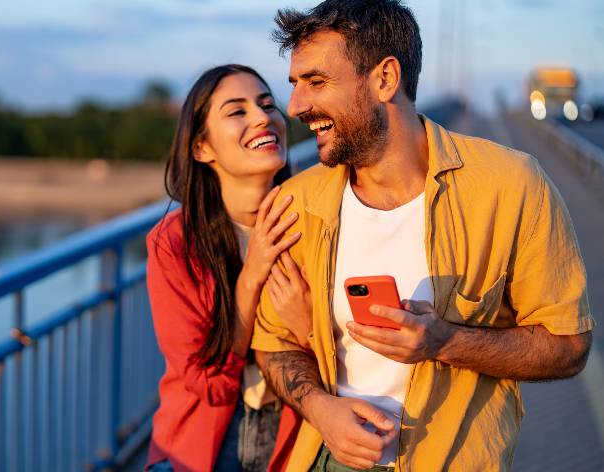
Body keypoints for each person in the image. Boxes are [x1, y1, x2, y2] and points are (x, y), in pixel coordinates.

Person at [251, 1, 595, 471]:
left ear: (386, 79)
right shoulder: (297, 204)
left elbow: (569, 347)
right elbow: (272, 344)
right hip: (328, 459)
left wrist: (445, 342)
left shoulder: (511, 185)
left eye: (316, 82)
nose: (295, 107)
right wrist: (319, 409)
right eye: (294, 85)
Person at [145, 64, 310, 472]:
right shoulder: (174, 244)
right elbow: (212, 383)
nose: (262, 117)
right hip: (203, 439)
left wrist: (305, 324)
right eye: (237, 111)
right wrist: (252, 274)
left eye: (267, 104)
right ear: (202, 148)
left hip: (296, 432)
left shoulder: (315, 221)